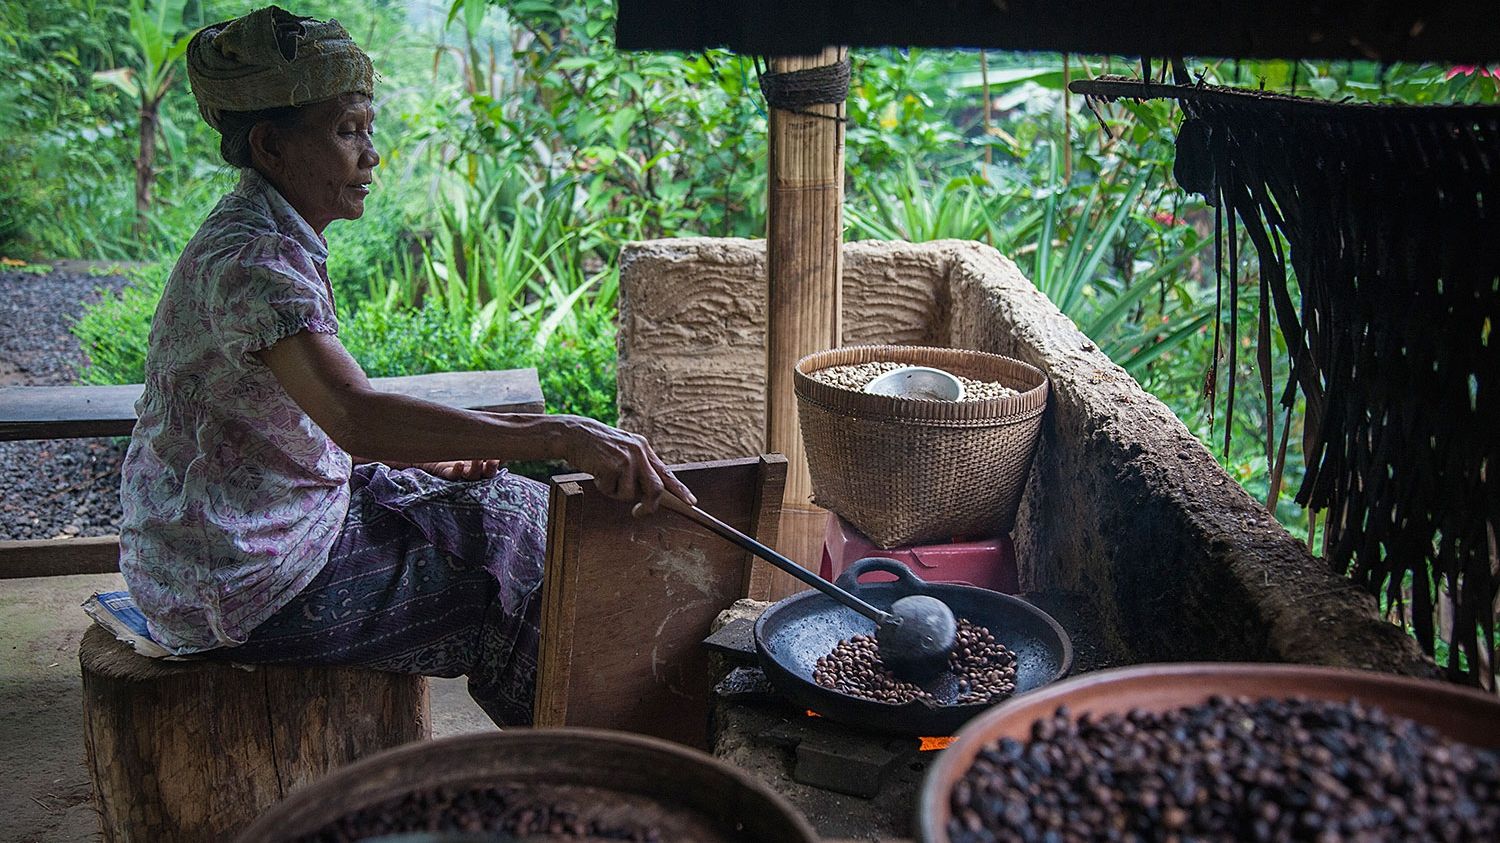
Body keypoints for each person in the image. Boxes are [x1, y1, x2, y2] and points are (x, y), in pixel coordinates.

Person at [117, 5, 693, 727]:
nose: (371, 154)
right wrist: (562, 434)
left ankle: (584, 745)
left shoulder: (263, 233)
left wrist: (440, 452)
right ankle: (578, 766)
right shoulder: (254, 261)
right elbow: (355, 415)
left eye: (367, 128)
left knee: (517, 509)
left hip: (247, 523)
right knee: (507, 583)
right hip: (236, 578)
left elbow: (296, 418)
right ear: (271, 146)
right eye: (346, 131)